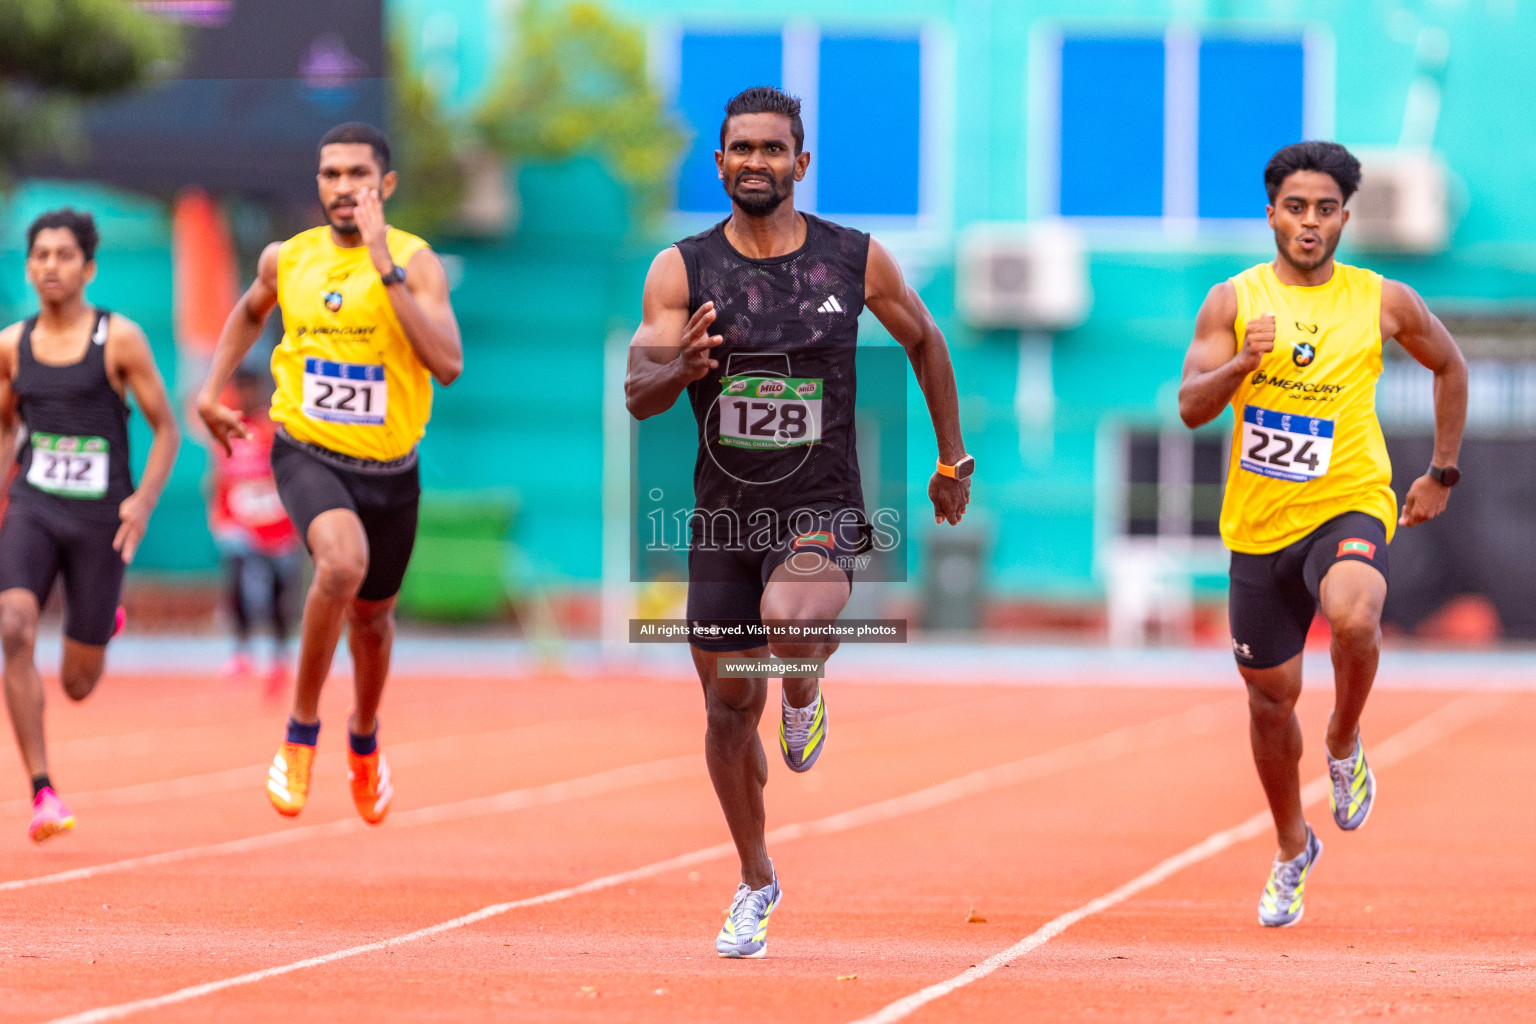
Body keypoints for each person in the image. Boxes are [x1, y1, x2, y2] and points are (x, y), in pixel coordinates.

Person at [626, 87, 972, 957]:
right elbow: (638, 394)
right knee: (724, 713)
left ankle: (807, 689)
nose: (755, 162)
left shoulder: (852, 261)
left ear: (800, 163)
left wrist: (950, 459)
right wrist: (682, 369)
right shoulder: (681, 271)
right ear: (719, 162)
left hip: (820, 509)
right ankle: (755, 880)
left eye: (772, 149)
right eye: (740, 148)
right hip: (724, 523)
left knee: (788, 630)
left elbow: (927, 340)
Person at [1178, 141, 1468, 927]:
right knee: (1271, 704)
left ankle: (1344, 741)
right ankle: (1290, 846)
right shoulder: (1232, 301)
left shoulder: (1383, 299)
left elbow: (1451, 367)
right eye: (1296, 208)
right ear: (1271, 213)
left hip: (1350, 501)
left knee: (1354, 613)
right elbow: (1191, 407)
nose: (1310, 223)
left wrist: (1440, 472)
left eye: (1326, 209)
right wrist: (1242, 363)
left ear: (1345, 216)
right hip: (1258, 527)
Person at [196, 122, 462, 826]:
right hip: (307, 452)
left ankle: (365, 741)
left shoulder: (416, 262)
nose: (342, 187)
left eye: (357, 174)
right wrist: (210, 389)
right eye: (329, 174)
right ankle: (300, 732)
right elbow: (249, 314)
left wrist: (384, 267)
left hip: (392, 471)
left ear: (387, 185)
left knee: (373, 622)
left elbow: (447, 363)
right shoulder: (288, 259)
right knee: (339, 566)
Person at [0, 208, 181, 842]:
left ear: (89, 267)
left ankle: (102, 619)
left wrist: (144, 501)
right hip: (34, 507)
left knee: (79, 683)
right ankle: (42, 790)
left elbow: (166, 429)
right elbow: (4, 427)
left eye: (63, 255)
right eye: (40, 255)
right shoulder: (10, 346)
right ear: (29, 266)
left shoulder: (119, 339)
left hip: (101, 519)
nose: (50, 265)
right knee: (13, 626)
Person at [207, 365, 300, 695]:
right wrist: (219, 514)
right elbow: (220, 475)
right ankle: (242, 652)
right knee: (236, 577)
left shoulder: (275, 430)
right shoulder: (228, 430)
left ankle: (278, 656)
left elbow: (292, 477)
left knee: (278, 591)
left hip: (276, 524)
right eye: (240, 388)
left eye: (251, 388)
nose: (245, 395)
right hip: (240, 522)